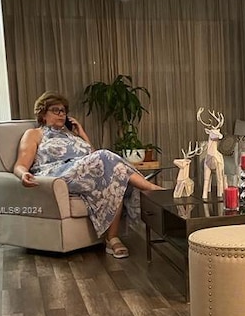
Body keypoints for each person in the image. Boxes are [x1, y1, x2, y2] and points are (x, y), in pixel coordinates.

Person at [13, 91, 162, 258]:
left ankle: (112, 239)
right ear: (42, 114)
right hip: (58, 176)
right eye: (56, 110)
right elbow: (20, 164)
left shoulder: (72, 135)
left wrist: (82, 133)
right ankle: (151, 188)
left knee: (115, 179)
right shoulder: (34, 134)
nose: (62, 114)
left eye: (64, 111)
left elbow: (92, 157)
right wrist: (23, 175)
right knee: (107, 158)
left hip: (83, 174)